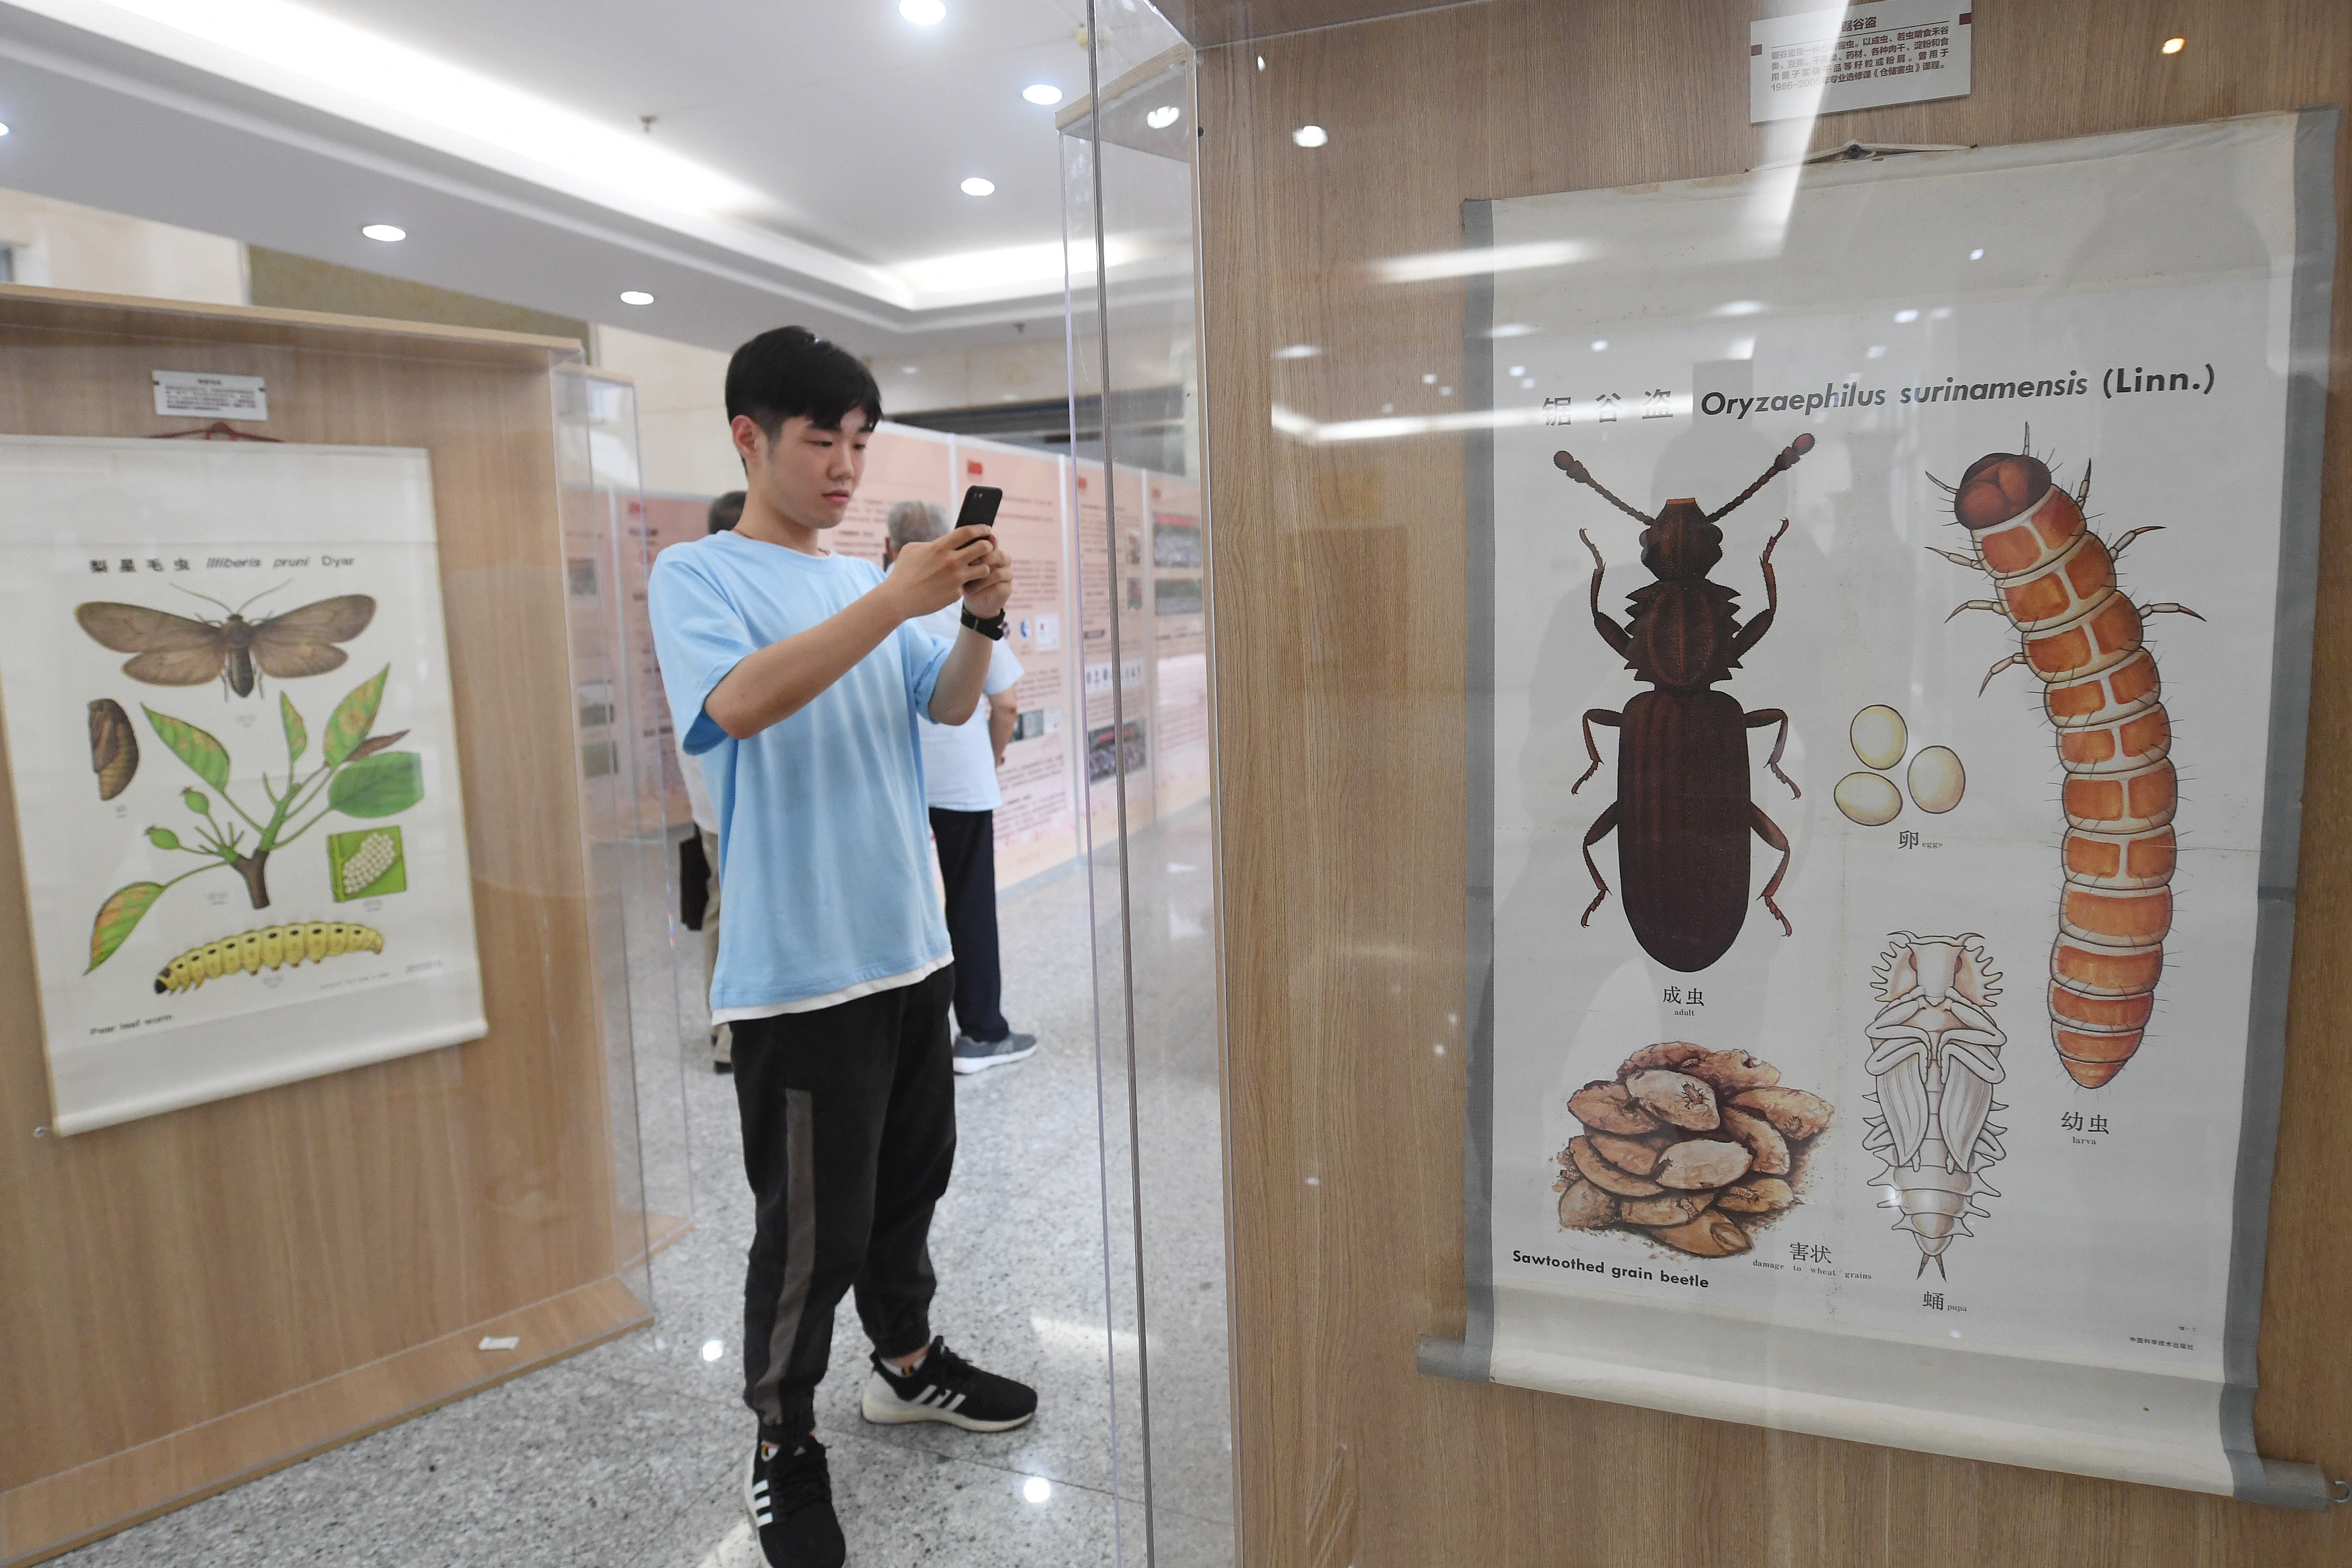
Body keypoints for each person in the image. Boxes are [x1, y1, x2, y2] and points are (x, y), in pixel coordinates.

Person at [647, 327, 1037, 1568]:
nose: (845, 467)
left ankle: (907, 1362)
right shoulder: (697, 574)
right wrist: (893, 598)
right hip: (799, 970)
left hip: (908, 948)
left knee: (910, 1188)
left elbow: (950, 703)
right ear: (749, 437)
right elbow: (739, 706)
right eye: (823, 440)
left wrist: (978, 617)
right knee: (810, 1229)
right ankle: (782, 1438)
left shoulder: (865, 584)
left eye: (861, 443)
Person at [884, 499, 1037, 1074]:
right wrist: (993, 756)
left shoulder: (874, 602)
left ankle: (903, 1040)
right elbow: (1006, 702)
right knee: (969, 903)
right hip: (962, 778)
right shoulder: (963, 606)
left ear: (889, 547)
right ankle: (981, 1032)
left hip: (896, 779)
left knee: (901, 903)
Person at [683, 489, 746, 1072]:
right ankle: (728, 1031)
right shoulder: (697, 592)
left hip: (723, 795)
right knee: (727, 905)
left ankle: (730, 1024)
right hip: (721, 796)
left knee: (727, 904)